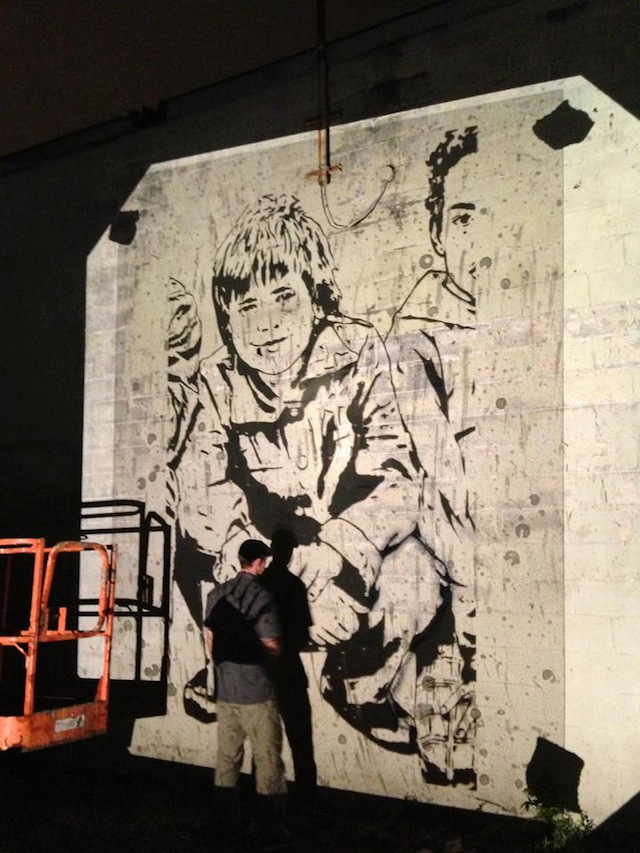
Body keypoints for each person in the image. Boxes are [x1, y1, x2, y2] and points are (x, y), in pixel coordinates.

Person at [171, 194, 421, 720]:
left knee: (416, 567)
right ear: (227, 317)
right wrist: (248, 561)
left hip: (338, 562)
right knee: (184, 547)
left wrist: (336, 553)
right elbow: (202, 487)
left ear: (318, 298)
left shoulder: (361, 352)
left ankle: (356, 677)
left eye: (284, 297)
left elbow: (397, 477)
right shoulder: (215, 381)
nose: (265, 324)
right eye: (246, 307)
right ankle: (232, 661)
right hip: (256, 566)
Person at [383, 126, 482, 783]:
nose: (482, 238)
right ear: (439, 232)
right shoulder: (417, 332)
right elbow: (437, 468)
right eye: (465, 217)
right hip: (444, 538)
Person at [203, 538, 292, 849]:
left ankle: (224, 824)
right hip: (257, 692)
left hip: (226, 690)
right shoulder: (262, 596)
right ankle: (270, 828)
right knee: (268, 761)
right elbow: (272, 645)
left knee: (227, 759)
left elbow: (210, 639)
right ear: (260, 563)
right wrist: (263, 668)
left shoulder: (216, 594)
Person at [262, 529, 317, 812]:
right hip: (289, 672)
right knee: (300, 740)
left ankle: (265, 801)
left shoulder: (257, 585)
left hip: (262, 675)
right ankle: (305, 799)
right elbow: (302, 635)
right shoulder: (294, 585)